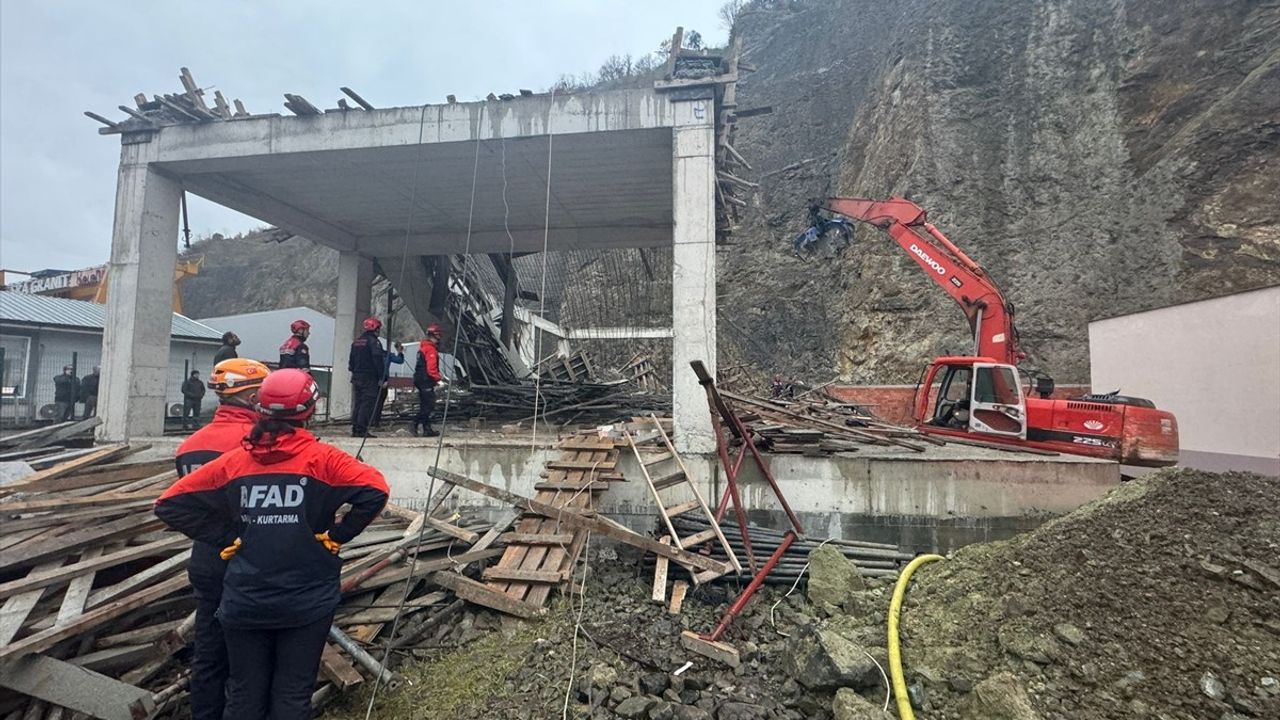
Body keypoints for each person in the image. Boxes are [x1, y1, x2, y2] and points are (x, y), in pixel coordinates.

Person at [155, 369, 388, 720]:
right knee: (292, 696)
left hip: (244, 600)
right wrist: (339, 535)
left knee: (244, 694)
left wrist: (227, 537)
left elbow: (169, 504)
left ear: (260, 407)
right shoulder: (325, 460)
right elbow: (376, 491)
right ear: (309, 410)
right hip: (306, 600)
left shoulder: (235, 463)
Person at [173, 359, 270, 720]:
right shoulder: (257, 443)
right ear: (252, 394)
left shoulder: (189, 447)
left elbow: (182, 506)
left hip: (208, 560)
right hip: (255, 563)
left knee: (209, 656)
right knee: (252, 659)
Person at [348, 317, 386, 438]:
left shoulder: (357, 342)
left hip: (357, 376)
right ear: (376, 328)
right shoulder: (374, 342)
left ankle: (355, 428)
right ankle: (362, 429)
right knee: (368, 403)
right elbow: (377, 359)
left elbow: (351, 362)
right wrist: (382, 377)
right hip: (369, 377)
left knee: (358, 402)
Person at [412, 324, 448, 437]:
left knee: (425, 405)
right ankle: (414, 423)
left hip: (421, 379)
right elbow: (431, 368)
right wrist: (439, 379)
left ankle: (427, 429)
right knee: (428, 405)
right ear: (435, 335)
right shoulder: (430, 349)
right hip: (425, 380)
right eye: (439, 335)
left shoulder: (423, 347)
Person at [371, 340, 405, 427]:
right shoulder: (387, 355)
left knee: (371, 401)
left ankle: (370, 421)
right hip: (383, 379)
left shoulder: (371, 354)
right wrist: (400, 352)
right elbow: (400, 360)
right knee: (380, 401)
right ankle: (375, 421)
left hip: (372, 379)